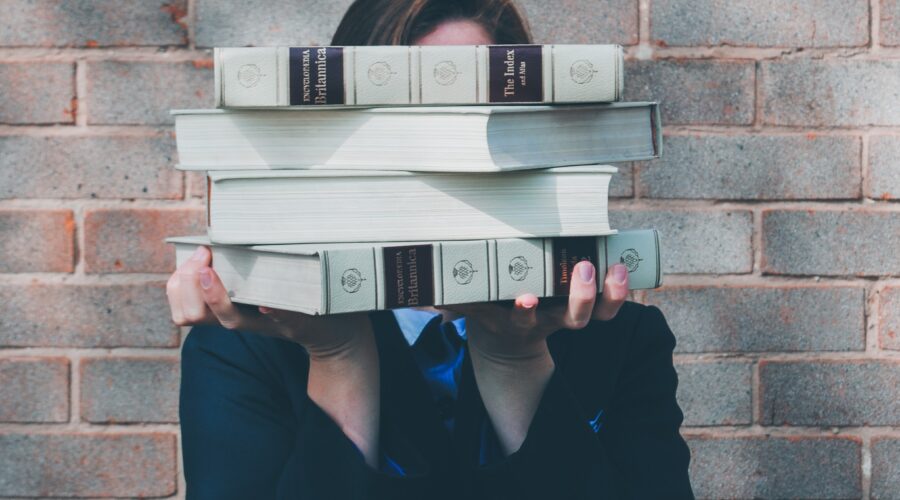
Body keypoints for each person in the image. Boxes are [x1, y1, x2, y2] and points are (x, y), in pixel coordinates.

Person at [169, 0, 694, 498]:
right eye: (403, 131)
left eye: (470, 124)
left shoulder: (621, 339)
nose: (443, 169)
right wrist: (338, 356)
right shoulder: (251, 342)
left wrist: (517, 363)